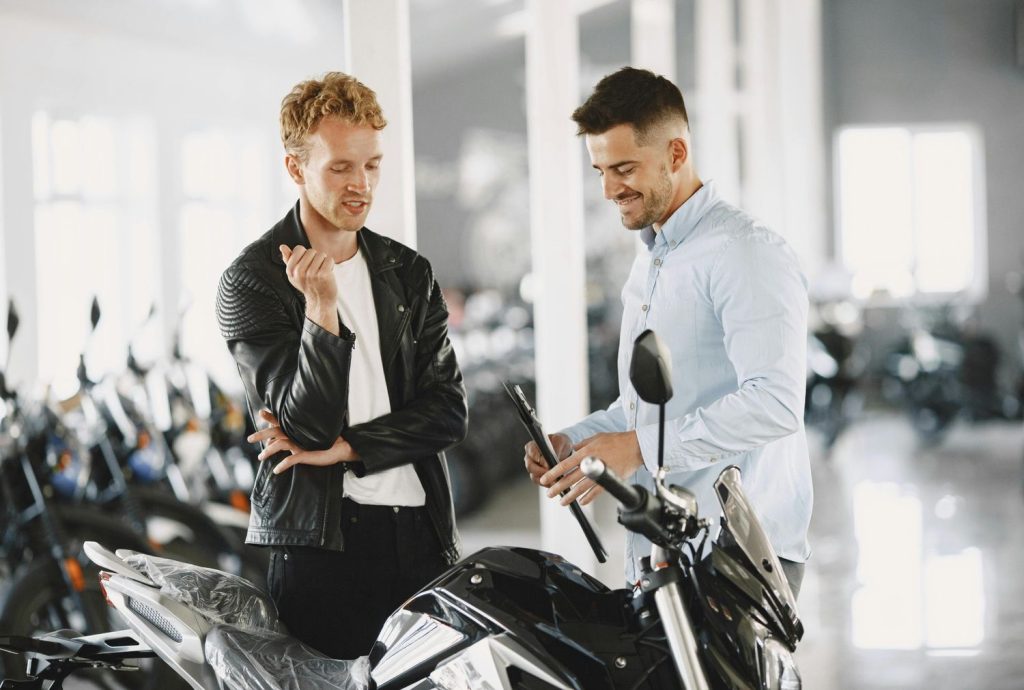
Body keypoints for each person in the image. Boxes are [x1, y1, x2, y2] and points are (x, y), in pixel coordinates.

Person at [523, 67, 812, 598]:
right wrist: (578, 442)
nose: (609, 189)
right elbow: (649, 411)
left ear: (676, 155)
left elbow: (775, 403)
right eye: (600, 170)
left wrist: (637, 449)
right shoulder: (653, 260)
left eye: (624, 168)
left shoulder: (744, 252)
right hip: (663, 549)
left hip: (736, 558)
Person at [216, 72, 468, 658]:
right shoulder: (251, 282)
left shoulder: (408, 272)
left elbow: (449, 413)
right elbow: (304, 429)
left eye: (372, 165)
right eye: (340, 168)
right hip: (324, 552)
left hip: (422, 538)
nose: (362, 185)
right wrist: (321, 312)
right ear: (296, 168)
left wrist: (349, 447)